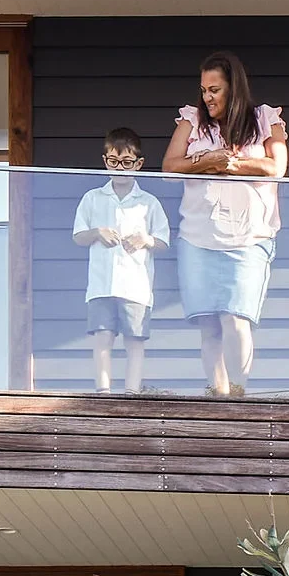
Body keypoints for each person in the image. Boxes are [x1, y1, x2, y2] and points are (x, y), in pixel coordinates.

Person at [162, 51, 287, 396]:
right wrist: (207, 160)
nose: (207, 97)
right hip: (197, 237)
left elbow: (276, 168)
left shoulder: (265, 119)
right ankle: (217, 395)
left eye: (214, 89)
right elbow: (170, 167)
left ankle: (238, 392)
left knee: (236, 317)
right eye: (203, 90)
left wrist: (230, 165)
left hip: (250, 237)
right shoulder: (192, 120)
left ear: (234, 88)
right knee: (208, 324)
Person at [72, 126, 170, 395]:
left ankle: (132, 392)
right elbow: (78, 235)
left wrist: (146, 239)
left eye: (126, 163)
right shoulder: (92, 198)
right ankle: (103, 391)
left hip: (136, 286)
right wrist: (97, 232)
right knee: (102, 337)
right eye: (114, 162)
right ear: (105, 161)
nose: (120, 168)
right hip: (101, 285)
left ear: (138, 164)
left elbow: (163, 240)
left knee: (135, 340)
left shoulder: (149, 203)